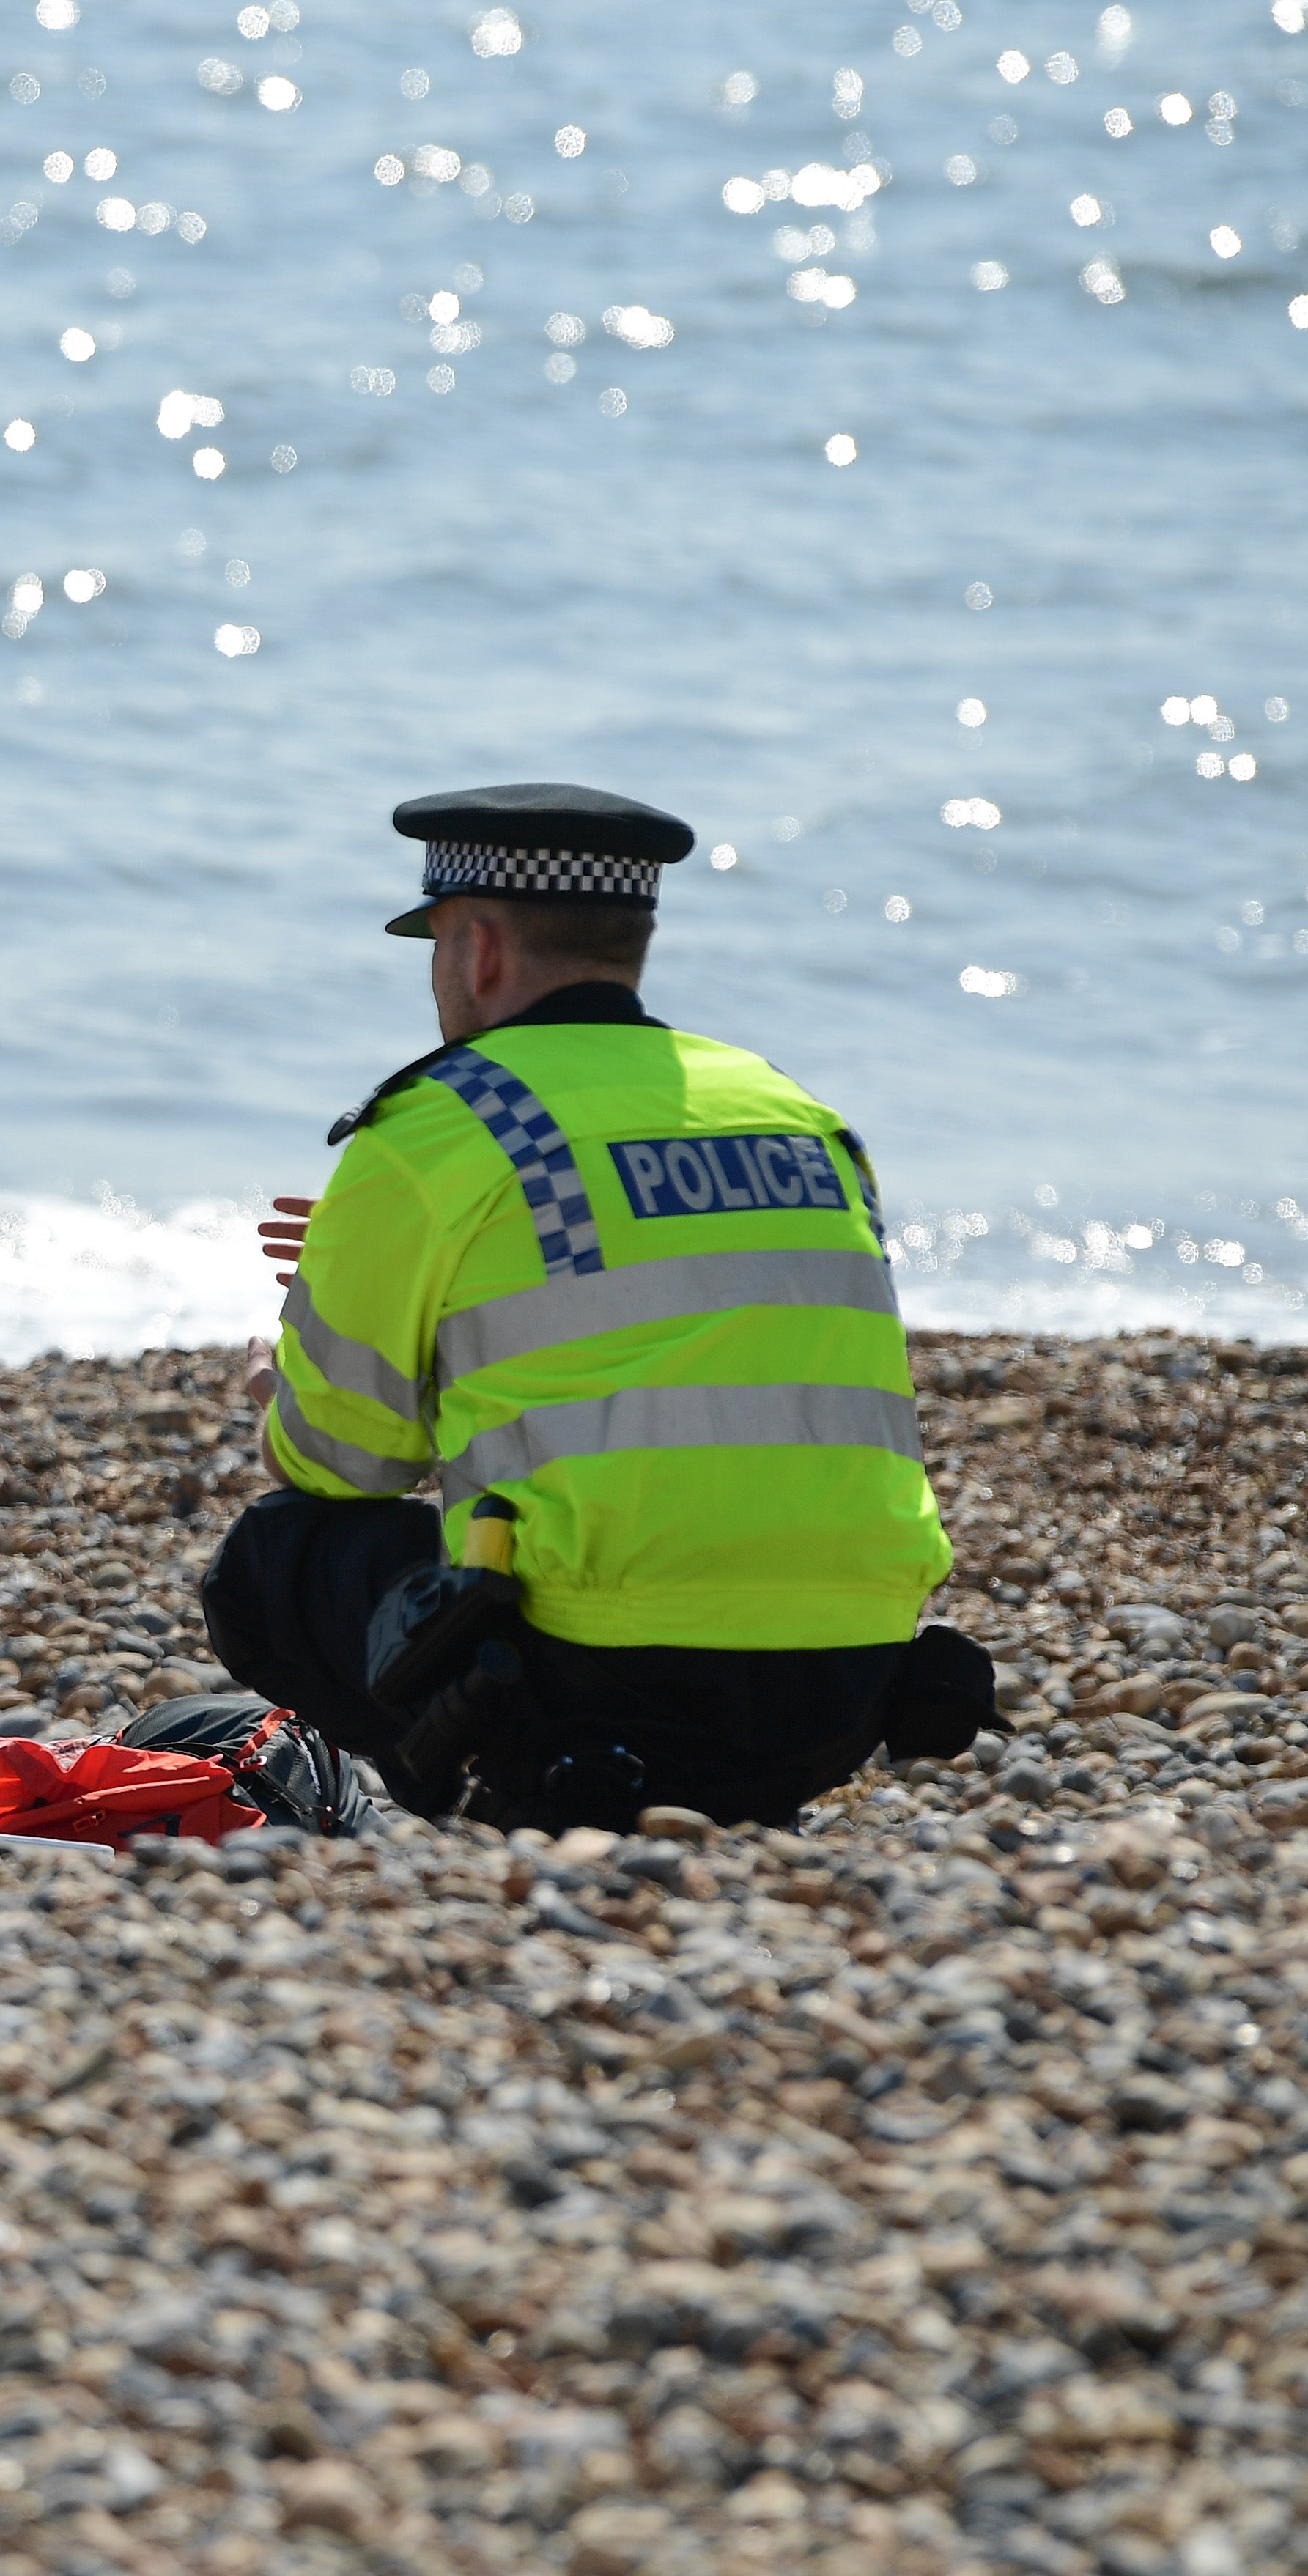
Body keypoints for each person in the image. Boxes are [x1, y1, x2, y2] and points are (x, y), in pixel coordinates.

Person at [200, 783, 972, 1834]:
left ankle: (494, 1794)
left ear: (476, 948)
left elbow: (340, 1460)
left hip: (602, 1697)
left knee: (275, 1553)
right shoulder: (796, 1113)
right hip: (846, 1685)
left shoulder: (438, 1125)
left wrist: (287, 1375)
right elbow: (680, 1340)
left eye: (432, 943)